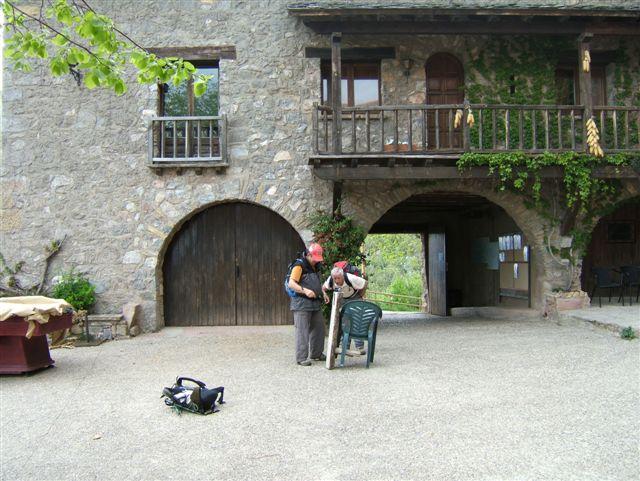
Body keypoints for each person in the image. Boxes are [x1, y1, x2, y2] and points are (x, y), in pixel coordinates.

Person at [288, 243, 326, 366]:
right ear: (308, 255)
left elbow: (317, 283)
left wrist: (323, 292)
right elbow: (291, 284)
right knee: (302, 331)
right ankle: (301, 358)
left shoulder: (316, 266)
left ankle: (316, 353)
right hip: (301, 303)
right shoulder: (299, 266)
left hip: (315, 302)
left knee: (319, 327)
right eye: (315, 258)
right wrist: (305, 291)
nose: (316, 261)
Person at [322, 266, 368, 353]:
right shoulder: (330, 280)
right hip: (342, 299)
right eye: (335, 278)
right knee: (344, 323)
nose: (336, 280)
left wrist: (361, 295)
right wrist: (324, 294)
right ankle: (345, 346)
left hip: (355, 298)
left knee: (357, 321)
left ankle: (360, 347)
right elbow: (323, 288)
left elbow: (365, 283)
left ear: (342, 276)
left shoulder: (351, 278)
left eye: (338, 278)